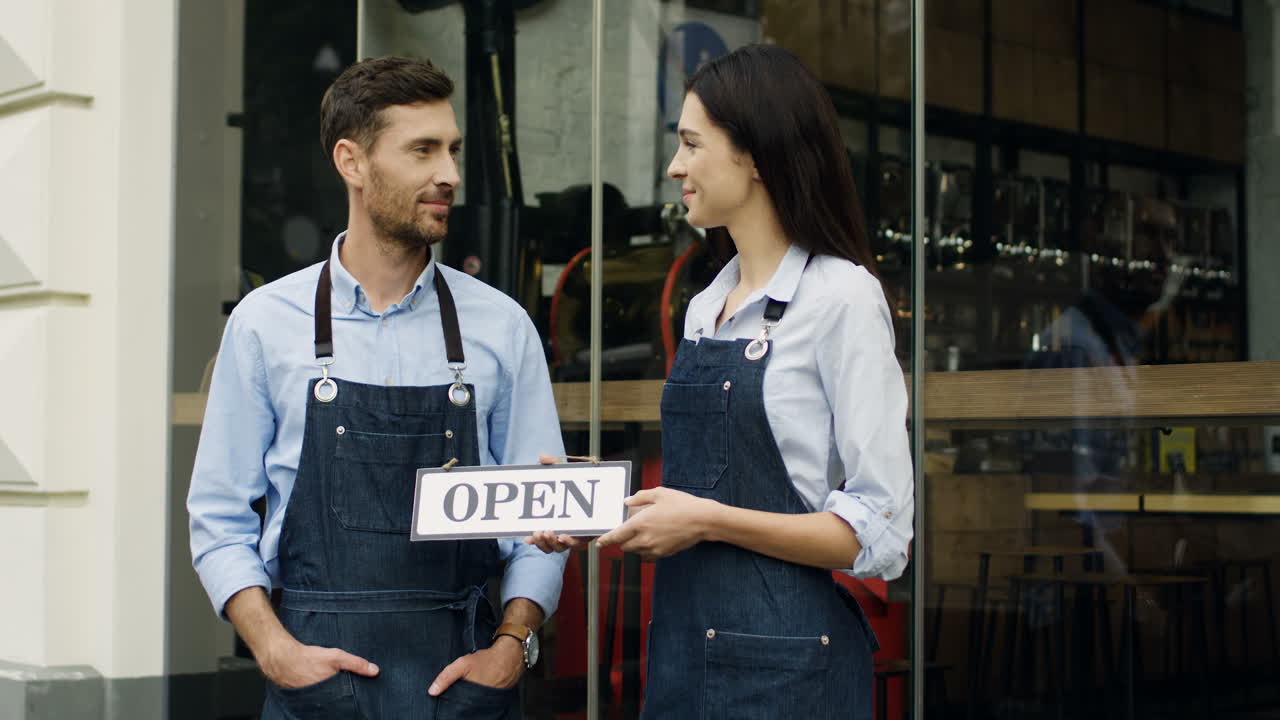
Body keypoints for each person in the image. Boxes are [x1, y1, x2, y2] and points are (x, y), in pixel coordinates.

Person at [529, 44, 913, 719]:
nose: (675, 166)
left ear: (756, 154)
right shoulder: (709, 304)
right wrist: (594, 502)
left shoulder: (842, 299)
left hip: (790, 670)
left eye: (691, 144)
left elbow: (879, 534)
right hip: (682, 656)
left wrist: (705, 520)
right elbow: (700, 490)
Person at [188, 56, 567, 719]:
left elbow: (542, 526)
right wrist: (276, 653)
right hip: (316, 685)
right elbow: (218, 524)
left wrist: (513, 644)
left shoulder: (502, 328)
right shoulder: (264, 326)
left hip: (464, 684)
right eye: (422, 150)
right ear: (352, 162)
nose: (448, 174)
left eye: (451, 150)